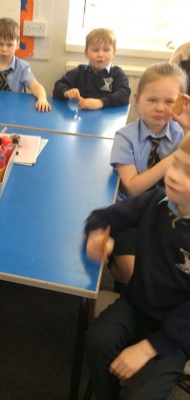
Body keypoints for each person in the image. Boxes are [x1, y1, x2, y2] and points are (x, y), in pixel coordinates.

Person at [83, 131, 190, 400]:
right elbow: (102, 217)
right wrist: (97, 236)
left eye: (188, 173)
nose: (173, 175)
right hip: (138, 305)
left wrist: (149, 347)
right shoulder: (157, 201)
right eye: (175, 163)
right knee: (97, 341)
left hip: (178, 331)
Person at [109, 62, 189, 285]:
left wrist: (187, 129)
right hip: (131, 213)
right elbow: (132, 187)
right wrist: (175, 158)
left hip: (168, 213)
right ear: (138, 99)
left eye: (169, 102)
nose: (160, 108)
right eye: (152, 100)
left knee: (172, 269)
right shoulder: (125, 137)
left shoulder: (181, 135)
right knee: (129, 273)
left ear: (180, 103)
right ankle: (111, 261)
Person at [53, 28, 130, 110]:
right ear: (86, 53)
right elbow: (59, 86)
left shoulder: (117, 73)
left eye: (106, 50)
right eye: (95, 50)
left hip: (107, 115)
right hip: (81, 113)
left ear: (114, 52)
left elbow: (124, 95)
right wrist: (66, 92)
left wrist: (101, 102)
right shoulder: (79, 71)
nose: (100, 55)